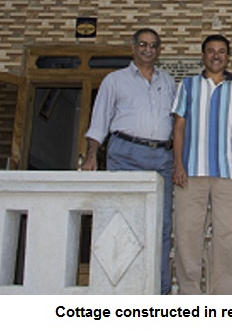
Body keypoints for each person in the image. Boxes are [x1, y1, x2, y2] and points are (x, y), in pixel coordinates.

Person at [82, 28, 176, 294]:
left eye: (153, 45)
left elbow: (177, 123)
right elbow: (99, 120)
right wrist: (91, 156)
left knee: (161, 225)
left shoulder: (168, 82)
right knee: (121, 221)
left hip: (162, 158)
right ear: (133, 48)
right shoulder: (115, 80)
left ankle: (159, 291)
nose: (148, 49)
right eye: (143, 44)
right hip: (125, 154)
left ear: (159, 50)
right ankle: (120, 290)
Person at [171, 34, 232, 294]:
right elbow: (179, 126)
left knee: (226, 236)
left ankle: (222, 297)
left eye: (221, 51)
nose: (216, 55)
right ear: (203, 55)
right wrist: (178, 165)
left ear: (228, 57)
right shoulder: (188, 85)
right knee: (187, 235)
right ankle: (190, 295)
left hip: (227, 174)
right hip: (191, 172)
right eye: (211, 50)